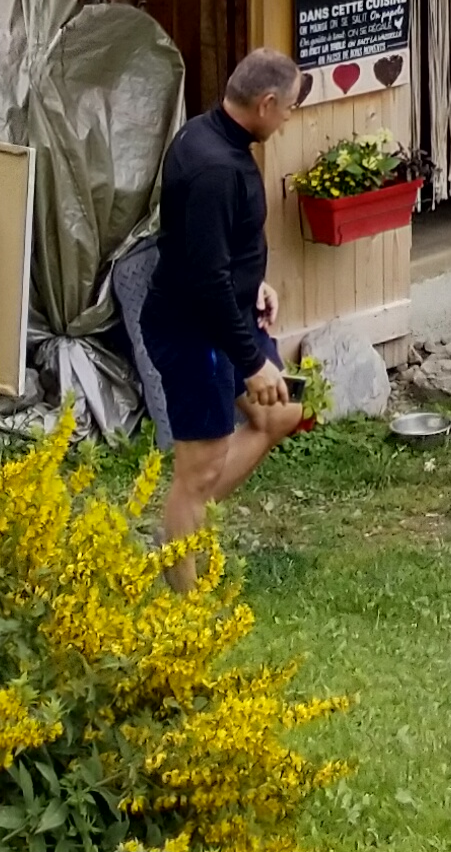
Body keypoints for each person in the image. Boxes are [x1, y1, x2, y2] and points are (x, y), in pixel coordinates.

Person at [147, 47, 304, 583]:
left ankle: (180, 526)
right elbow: (205, 280)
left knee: (281, 413)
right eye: (289, 109)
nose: (288, 120)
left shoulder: (209, 135)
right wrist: (252, 363)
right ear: (265, 103)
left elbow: (208, 250)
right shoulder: (215, 168)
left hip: (227, 313)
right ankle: (185, 603)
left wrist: (253, 282)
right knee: (198, 469)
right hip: (195, 332)